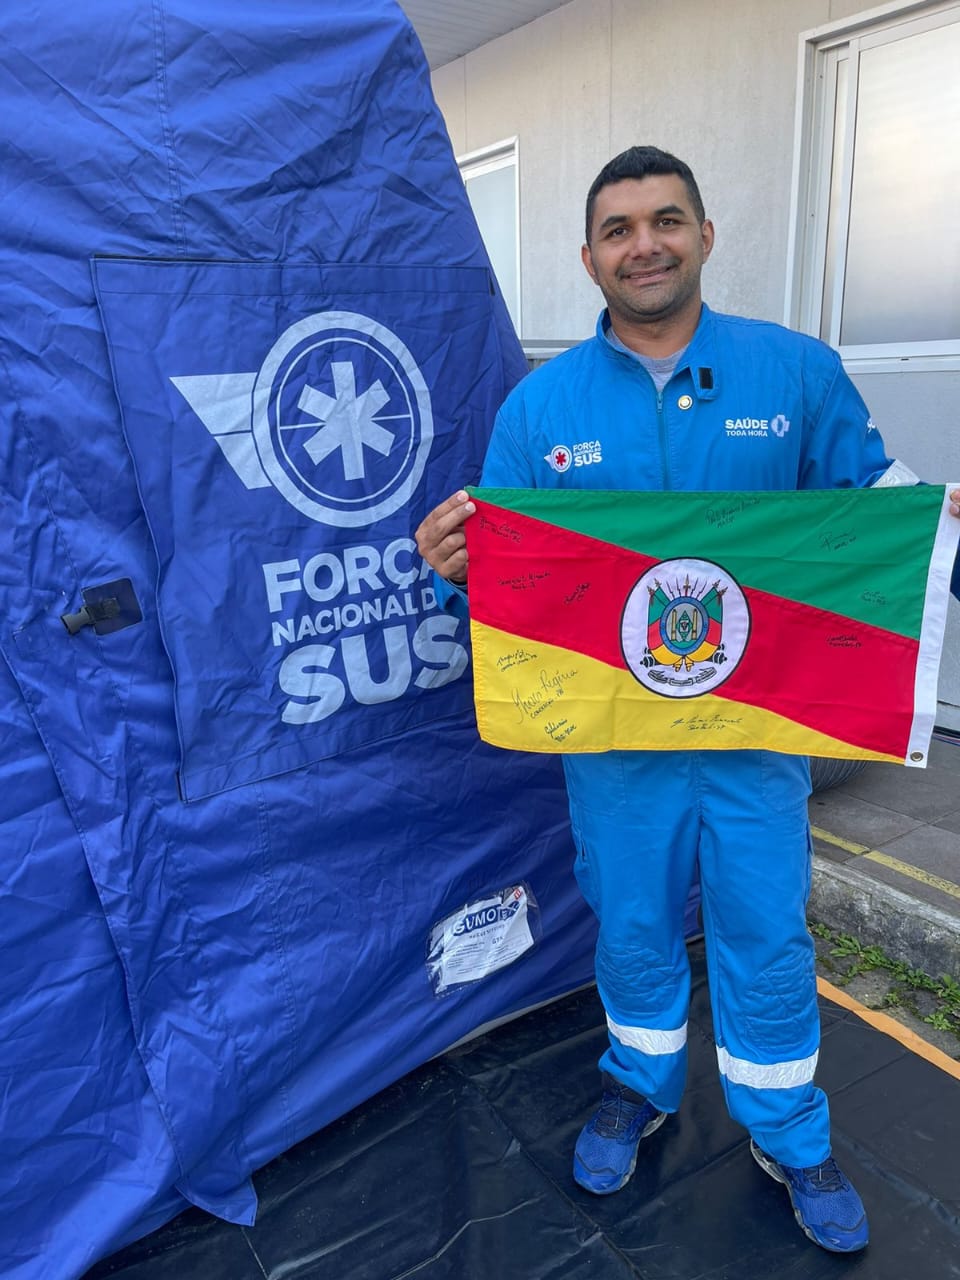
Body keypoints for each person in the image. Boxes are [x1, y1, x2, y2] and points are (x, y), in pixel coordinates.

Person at [416, 145, 960, 1255]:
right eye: (619, 229)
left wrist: (940, 524)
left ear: (706, 236)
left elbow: (873, 506)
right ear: (588, 258)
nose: (644, 243)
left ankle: (787, 1125)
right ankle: (640, 1081)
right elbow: (511, 561)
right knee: (633, 923)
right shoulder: (541, 406)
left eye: (666, 220)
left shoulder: (795, 373)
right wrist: (457, 557)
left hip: (754, 737)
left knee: (766, 930)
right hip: (617, 747)